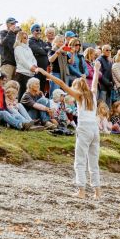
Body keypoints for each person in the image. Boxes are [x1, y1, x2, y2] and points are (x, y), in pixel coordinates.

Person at [39, 62, 103, 199]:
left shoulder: (79, 96)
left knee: (80, 160)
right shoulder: (92, 95)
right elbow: (95, 83)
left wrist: (45, 73)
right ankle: (97, 192)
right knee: (93, 161)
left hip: (85, 127)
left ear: (77, 87)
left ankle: (81, 190)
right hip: (94, 129)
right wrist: (96, 70)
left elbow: (61, 83)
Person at [13, 30, 38, 98]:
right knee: (22, 95)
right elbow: (22, 61)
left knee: (29, 95)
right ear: (20, 38)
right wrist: (31, 67)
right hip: (22, 74)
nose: (26, 39)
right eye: (24, 38)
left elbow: (33, 58)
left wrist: (35, 65)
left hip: (30, 74)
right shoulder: (18, 48)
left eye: (27, 38)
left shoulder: (28, 48)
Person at [28, 24, 50, 92]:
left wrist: (42, 50)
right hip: (36, 69)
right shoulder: (30, 41)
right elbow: (37, 50)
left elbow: (49, 49)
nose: (39, 32)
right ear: (32, 31)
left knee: (42, 87)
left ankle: (41, 101)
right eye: (37, 30)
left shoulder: (41, 41)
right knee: (35, 87)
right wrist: (44, 50)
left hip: (44, 68)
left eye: (40, 30)